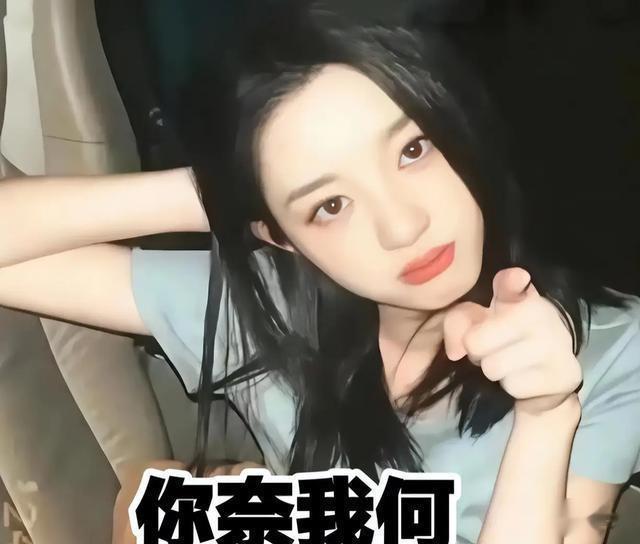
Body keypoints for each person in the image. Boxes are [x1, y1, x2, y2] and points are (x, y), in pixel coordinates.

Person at [0, 7, 638, 544]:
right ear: (280, 234)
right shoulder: (271, 308)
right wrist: (216, 194)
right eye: (330, 205)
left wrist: (547, 415)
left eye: (413, 150)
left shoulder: (611, 347)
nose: (402, 226)